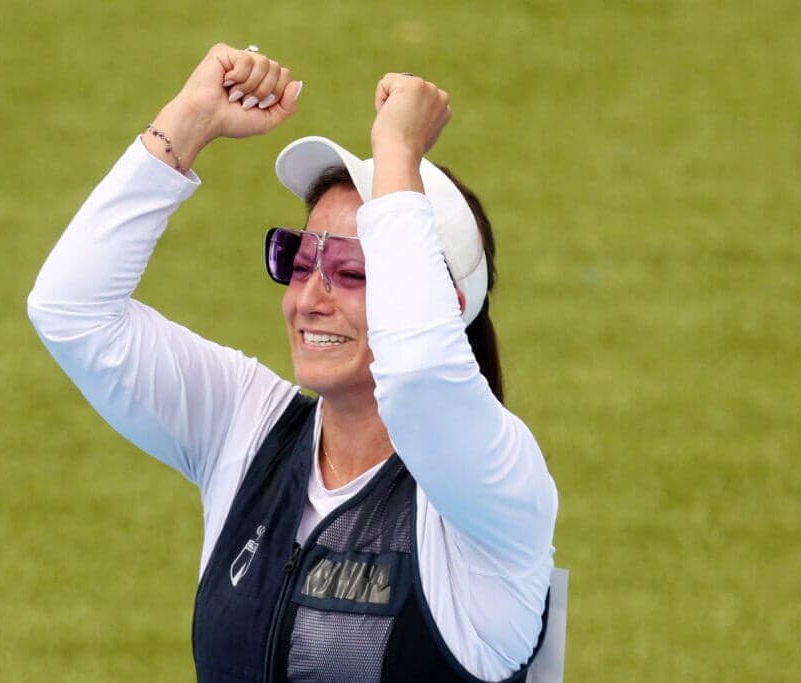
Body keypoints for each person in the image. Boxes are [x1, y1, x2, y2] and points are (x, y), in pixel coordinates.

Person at [28, 43, 558, 682]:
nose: (309, 298)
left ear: (443, 302)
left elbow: (419, 375)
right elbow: (71, 311)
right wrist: (190, 119)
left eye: (353, 271)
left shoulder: (494, 481)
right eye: (301, 261)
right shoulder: (246, 427)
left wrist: (397, 155)